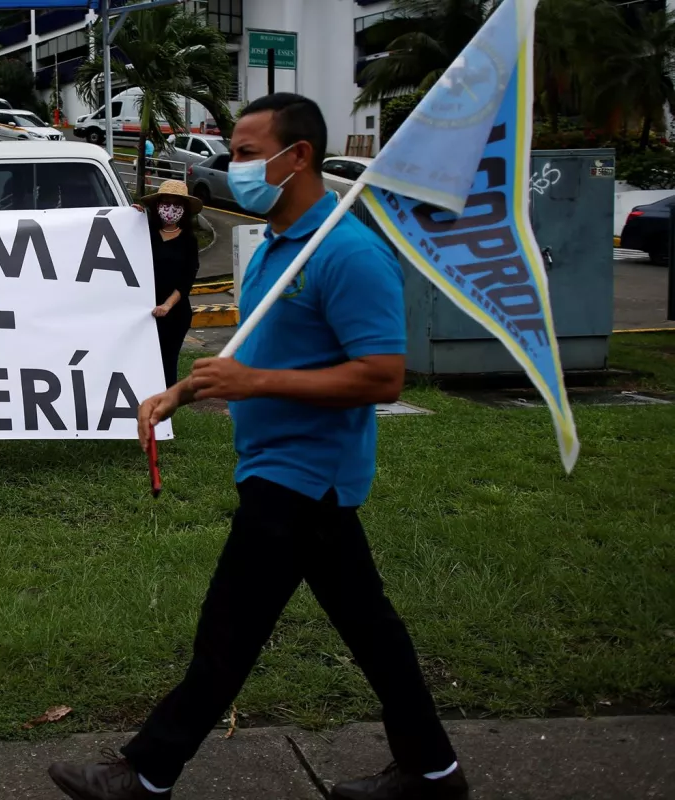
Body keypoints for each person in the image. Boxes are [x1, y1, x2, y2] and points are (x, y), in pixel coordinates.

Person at [47, 93, 468, 800]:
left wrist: (255, 381)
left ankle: (146, 773)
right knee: (372, 632)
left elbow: (383, 376)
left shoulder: (349, 253)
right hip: (281, 472)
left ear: (295, 156)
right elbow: (251, 354)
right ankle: (434, 771)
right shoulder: (275, 248)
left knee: (227, 634)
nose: (231, 167)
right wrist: (180, 392)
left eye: (243, 153)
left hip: (305, 478)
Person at [136, 179, 200, 388]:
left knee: (165, 364)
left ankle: (164, 415)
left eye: (177, 204)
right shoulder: (144, 231)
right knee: (140, 363)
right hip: (142, 312)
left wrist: (167, 305)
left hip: (174, 315)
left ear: (184, 209)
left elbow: (186, 280)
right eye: (166, 203)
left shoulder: (189, 241)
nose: (170, 209)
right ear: (157, 206)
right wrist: (130, 217)